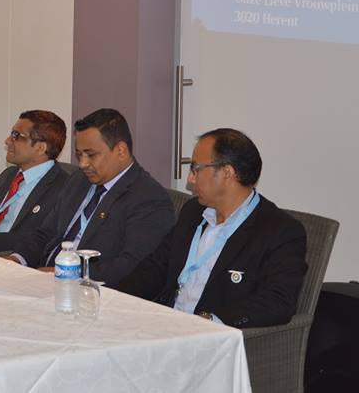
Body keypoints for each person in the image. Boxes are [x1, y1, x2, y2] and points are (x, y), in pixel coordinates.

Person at [116, 128, 307, 328]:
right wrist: (113, 298)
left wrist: (210, 321)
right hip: (165, 324)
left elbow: (278, 301)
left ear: (227, 173)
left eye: (196, 169)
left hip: (214, 337)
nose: (190, 180)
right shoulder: (193, 211)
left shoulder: (280, 231)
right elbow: (156, 268)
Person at [7, 108, 175, 286]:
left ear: (121, 151)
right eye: (79, 155)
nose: (83, 164)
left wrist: (67, 273)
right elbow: (45, 233)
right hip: (43, 279)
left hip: (90, 290)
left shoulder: (149, 198)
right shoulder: (78, 180)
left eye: (91, 155)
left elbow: (131, 266)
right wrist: (16, 259)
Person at [0, 110, 86, 254]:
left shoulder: (63, 187)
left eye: (16, 136)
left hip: (14, 259)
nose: (7, 141)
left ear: (40, 148)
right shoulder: (9, 175)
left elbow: (43, 238)